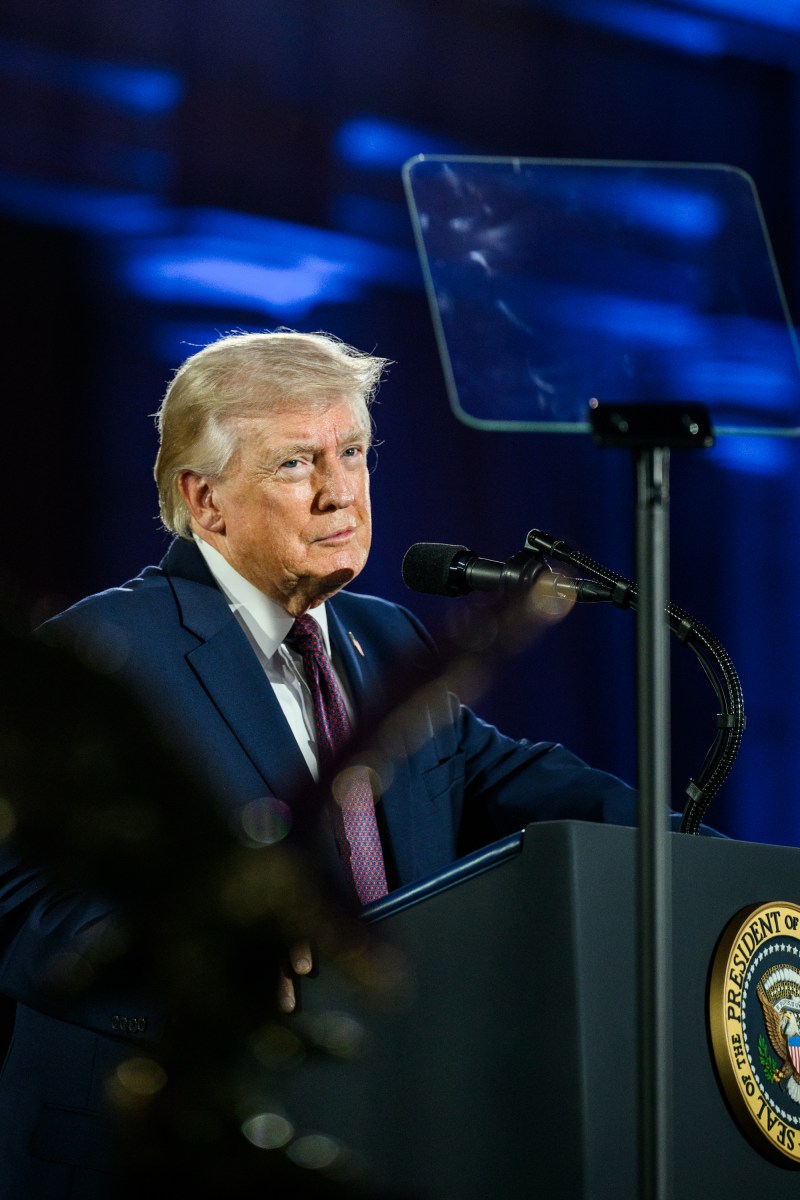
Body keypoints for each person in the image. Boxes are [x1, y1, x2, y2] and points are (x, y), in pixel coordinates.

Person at [4, 328, 642, 1197]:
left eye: (353, 453)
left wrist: (705, 857)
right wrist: (199, 970)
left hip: (375, 1125)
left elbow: (516, 783)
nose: (340, 493)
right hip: (154, 1147)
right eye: (297, 465)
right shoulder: (106, 650)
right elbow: (16, 896)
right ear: (206, 500)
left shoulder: (384, 638)